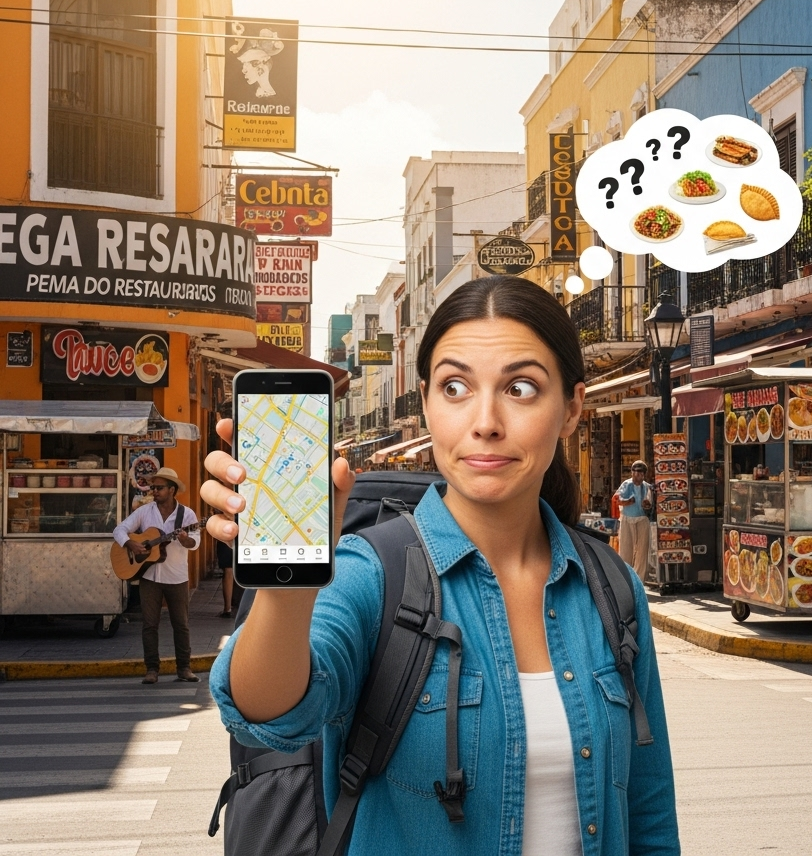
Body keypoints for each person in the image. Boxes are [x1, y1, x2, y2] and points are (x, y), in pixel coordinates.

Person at [202, 277, 679, 856]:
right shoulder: (372, 573)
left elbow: (649, 814)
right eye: (455, 387)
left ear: (572, 408)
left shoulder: (611, 587)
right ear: (426, 401)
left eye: (521, 388)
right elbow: (268, 714)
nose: (485, 421)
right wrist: (289, 586)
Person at [112, 467, 201, 684]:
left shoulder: (187, 515)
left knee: (181, 624)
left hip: (176, 577)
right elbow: (119, 529)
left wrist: (184, 539)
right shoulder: (145, 511)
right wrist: (130, 543)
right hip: (149, 577)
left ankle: (184, 668)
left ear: (172, 490)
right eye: (153, 487)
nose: (154, 491)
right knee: (149, 625)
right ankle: (151, 669)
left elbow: (195, 542)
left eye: (159, 487)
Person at [616, 460, 654, 580]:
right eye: (637, 473)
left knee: (642, 551)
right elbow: (617, 500)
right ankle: (625, 578)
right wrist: (627, 502)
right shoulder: (626, 485)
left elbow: (650, 504)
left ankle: (639, 580)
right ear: (632, 473)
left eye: (642, 474)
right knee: (626, 549)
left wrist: (647, 505)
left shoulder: (647, 487)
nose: (639, 476)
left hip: (642, 519)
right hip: (627, 519)